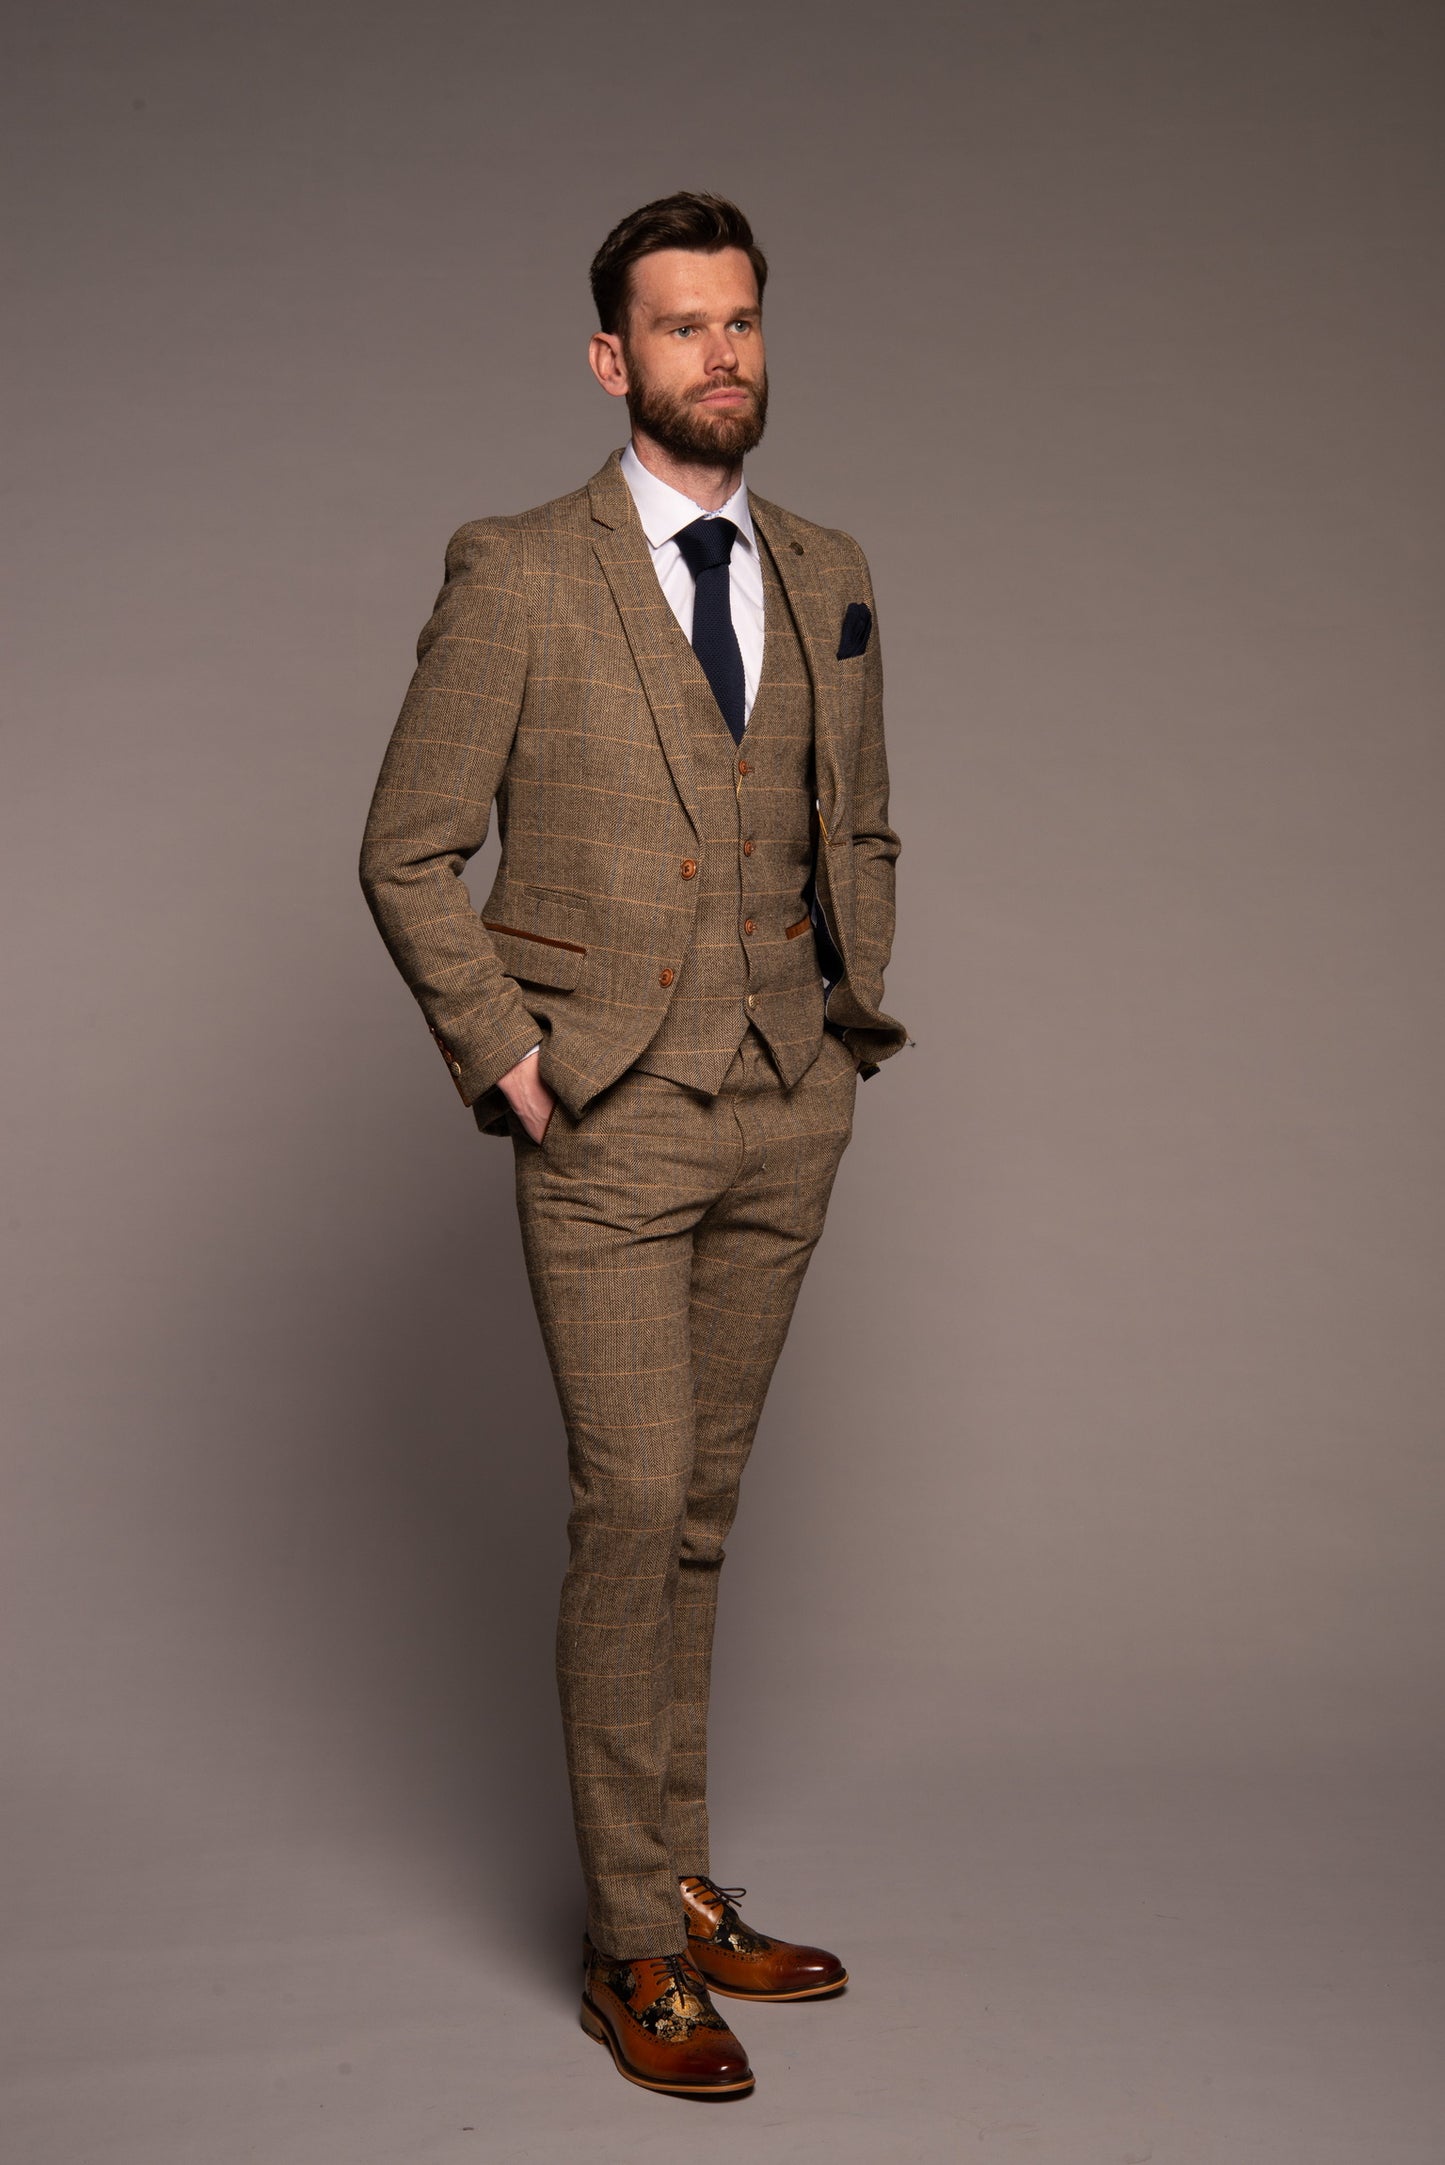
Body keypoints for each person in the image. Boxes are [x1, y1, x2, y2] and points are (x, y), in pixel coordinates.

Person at [359, 191, 908, 2099]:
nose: (719, 353)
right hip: (603, 1116)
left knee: (699, 1515)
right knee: (628, 1505)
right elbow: (405, 849)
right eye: (681, 327)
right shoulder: (519, 569)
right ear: (613, 358)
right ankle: (621, 1945)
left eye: (740, 320)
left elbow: (861, 823)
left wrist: (841, 1021)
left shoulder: (826, 564)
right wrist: (510, 1058)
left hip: (783, 1103)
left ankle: (676, 1882)